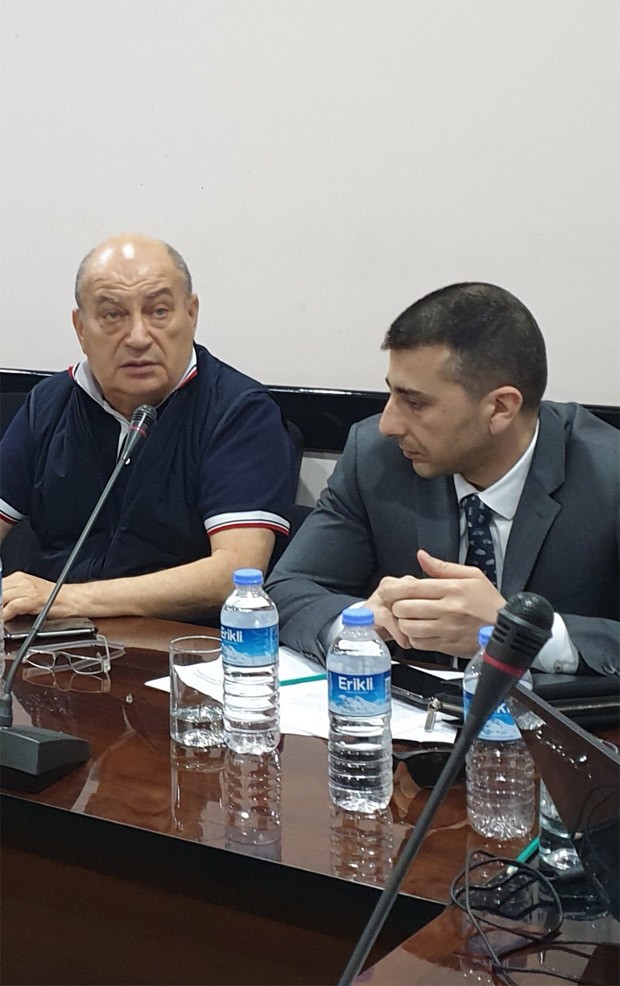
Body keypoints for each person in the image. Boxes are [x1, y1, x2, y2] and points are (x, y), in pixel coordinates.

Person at [267, 282, 619, 675]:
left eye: (415, 403)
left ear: (500, 408)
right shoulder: (376, 458)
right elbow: (285, 592)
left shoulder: (608, 474)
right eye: (392, 394)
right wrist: (364, 620)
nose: (388, 424)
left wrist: (518, 633)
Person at [0, 234, 296, 622]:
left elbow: (235, 574)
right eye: (113, 315)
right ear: (80, 328)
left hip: (176, 644)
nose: (138, 338)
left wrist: (66, 599)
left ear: (191, 314)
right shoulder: (49, 404)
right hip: (49, 640)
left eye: (158, 311)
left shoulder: (239, 412)